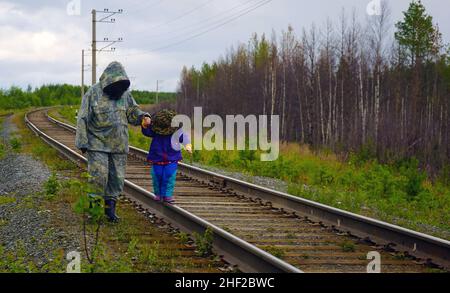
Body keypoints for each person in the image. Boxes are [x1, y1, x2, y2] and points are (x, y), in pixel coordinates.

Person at [75, 61, 151, 222]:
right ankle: (94, 212)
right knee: (98, 177)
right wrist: (82, 141)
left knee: (116, 179)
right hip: (97, 144)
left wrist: (143, 117)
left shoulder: (125, 94)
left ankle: (110, 211)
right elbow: (82, 117)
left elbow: (133, 111)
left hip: (119, 145)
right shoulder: (92, 93)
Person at [141, 109, 192, 204]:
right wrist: (144, 125)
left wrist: (187, 145)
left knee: (169, 175)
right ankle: (158, 194)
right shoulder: (155, 130)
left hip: (172, 158)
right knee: (157, 176)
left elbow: (183, 137)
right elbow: (147, 132)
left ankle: (167, 195)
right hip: (157, 158)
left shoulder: (176, 131)